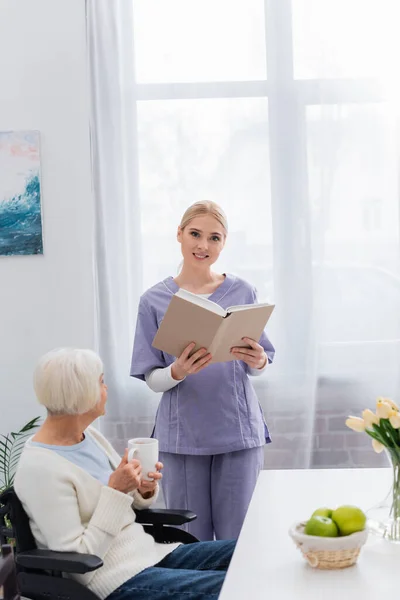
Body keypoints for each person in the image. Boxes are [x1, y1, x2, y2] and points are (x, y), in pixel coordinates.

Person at [14, 348, 235, 600]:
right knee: (239, 586)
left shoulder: (89, 437)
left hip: (148, 554)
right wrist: (116, 490)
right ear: (81, 393)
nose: (106, 389)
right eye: (101, 382)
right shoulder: (40, 469)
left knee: (250, 552)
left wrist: (141, 488)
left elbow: (122, 506)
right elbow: (80, 560)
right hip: (111, 580)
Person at [130, 201, 275, 541]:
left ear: (223, 243)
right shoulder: (153, 300)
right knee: (189, 542)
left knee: (238, 541)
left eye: (214, 238)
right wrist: (177, 371)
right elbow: (151, 377)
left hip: (237, 433)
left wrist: (258, 361)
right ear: (179, 235)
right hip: (183, 439)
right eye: (195, 234)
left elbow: (260, 361)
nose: (203, 245)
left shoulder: (243, 291)